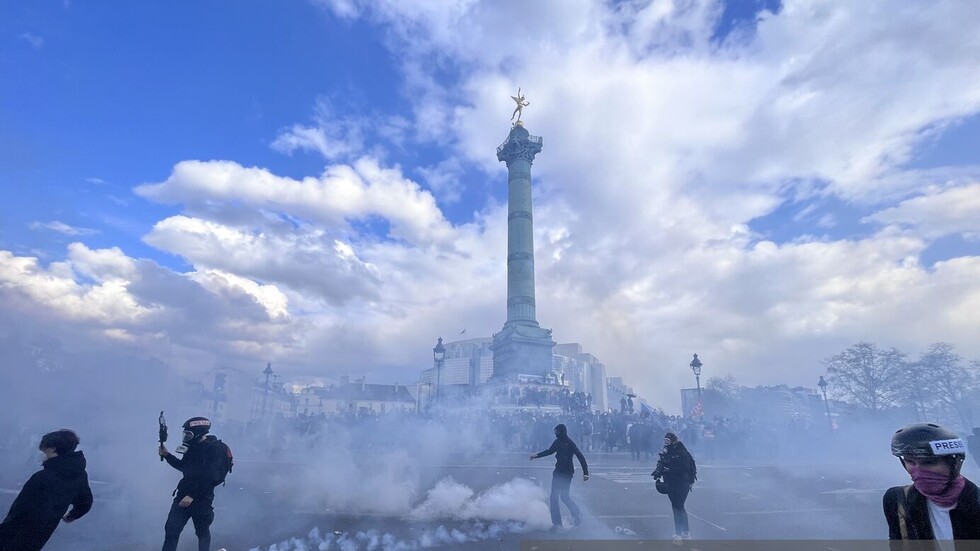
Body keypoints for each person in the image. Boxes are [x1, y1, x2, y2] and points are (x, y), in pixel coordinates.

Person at [883, 423, 980, 544]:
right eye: (910, 462)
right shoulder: (898, 500)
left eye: (929, 462)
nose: (919, 471)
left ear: (956, 464)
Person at [0, 429, 93, 551]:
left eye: (45, 451)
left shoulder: (42, 478)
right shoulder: (80, 475)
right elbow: (85, 502)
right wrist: (72, 515)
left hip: (16, 537)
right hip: (41, 537)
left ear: (53, 449)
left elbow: (19, 512)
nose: (43, 455)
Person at [159, 417, 232, 551]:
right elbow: (184, 467)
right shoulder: (192, 447)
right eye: (185, 434)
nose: (186, 437)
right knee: (171, 530)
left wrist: (191, 495)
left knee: (202, 532)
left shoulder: (214, 450)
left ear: (199, 433)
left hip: (202, 499)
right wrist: (167, 455)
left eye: (189, 434)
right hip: (183, 494)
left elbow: (211, 477)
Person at [529, 423, 589, 531]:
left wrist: (585, 473)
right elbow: (549, 451)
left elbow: (580, 457)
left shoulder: (570, 443)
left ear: (561, 432)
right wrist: (537, 455)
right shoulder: (557, 442)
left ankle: (577, 513)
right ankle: (557, 524)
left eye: (557, 431)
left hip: (567, 473)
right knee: (554, 497)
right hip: (558, 472)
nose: (555, 433)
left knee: (564, 497)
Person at [652, 432, 697, 541]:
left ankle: (679, 534)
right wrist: (658, 472)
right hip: (671, 482)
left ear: (673, 441)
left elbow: (685, 468)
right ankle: (685, 533)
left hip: (682, 482)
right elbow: (662, 464)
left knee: (678, 506)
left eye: (668, 441)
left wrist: (669, 470)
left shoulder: (681, 452)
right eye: (665, 440)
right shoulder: (666, 452)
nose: (666, 443)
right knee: (677, 507)